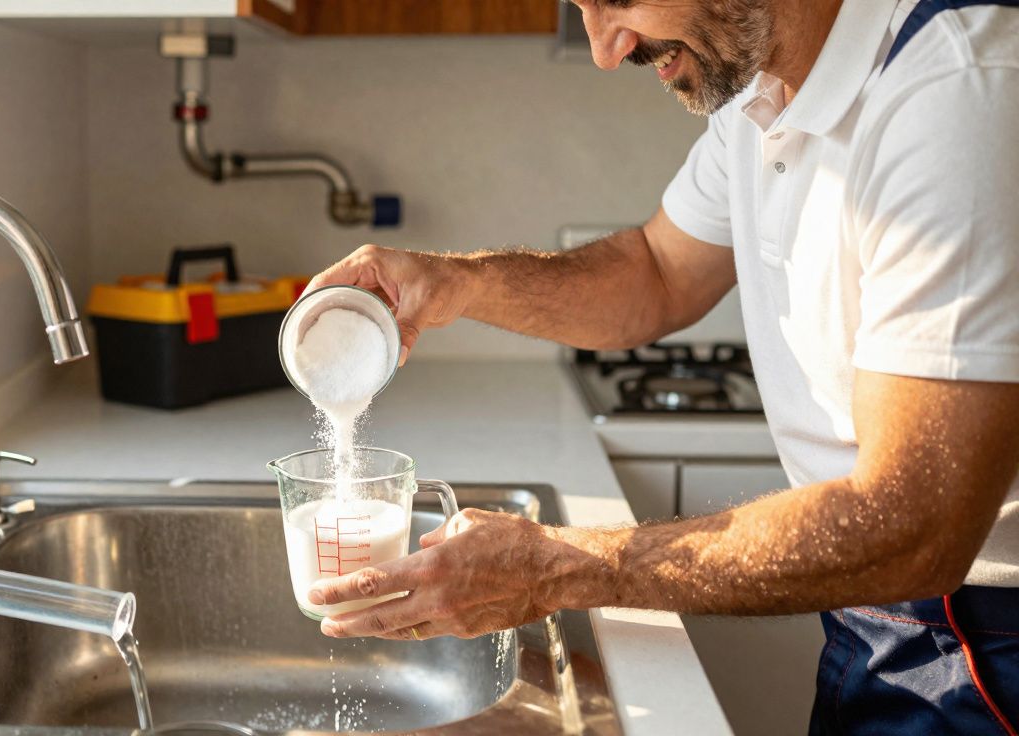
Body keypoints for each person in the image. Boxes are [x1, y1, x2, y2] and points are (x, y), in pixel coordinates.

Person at [302, 0, 1019, 733]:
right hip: (879, 624)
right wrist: (457, 282)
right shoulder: (762, 89)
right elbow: (657, 272)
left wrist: (560, 566)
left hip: (988, 652)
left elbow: (917, 525)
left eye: (617, 0)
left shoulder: (956, 89)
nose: (606, 49)